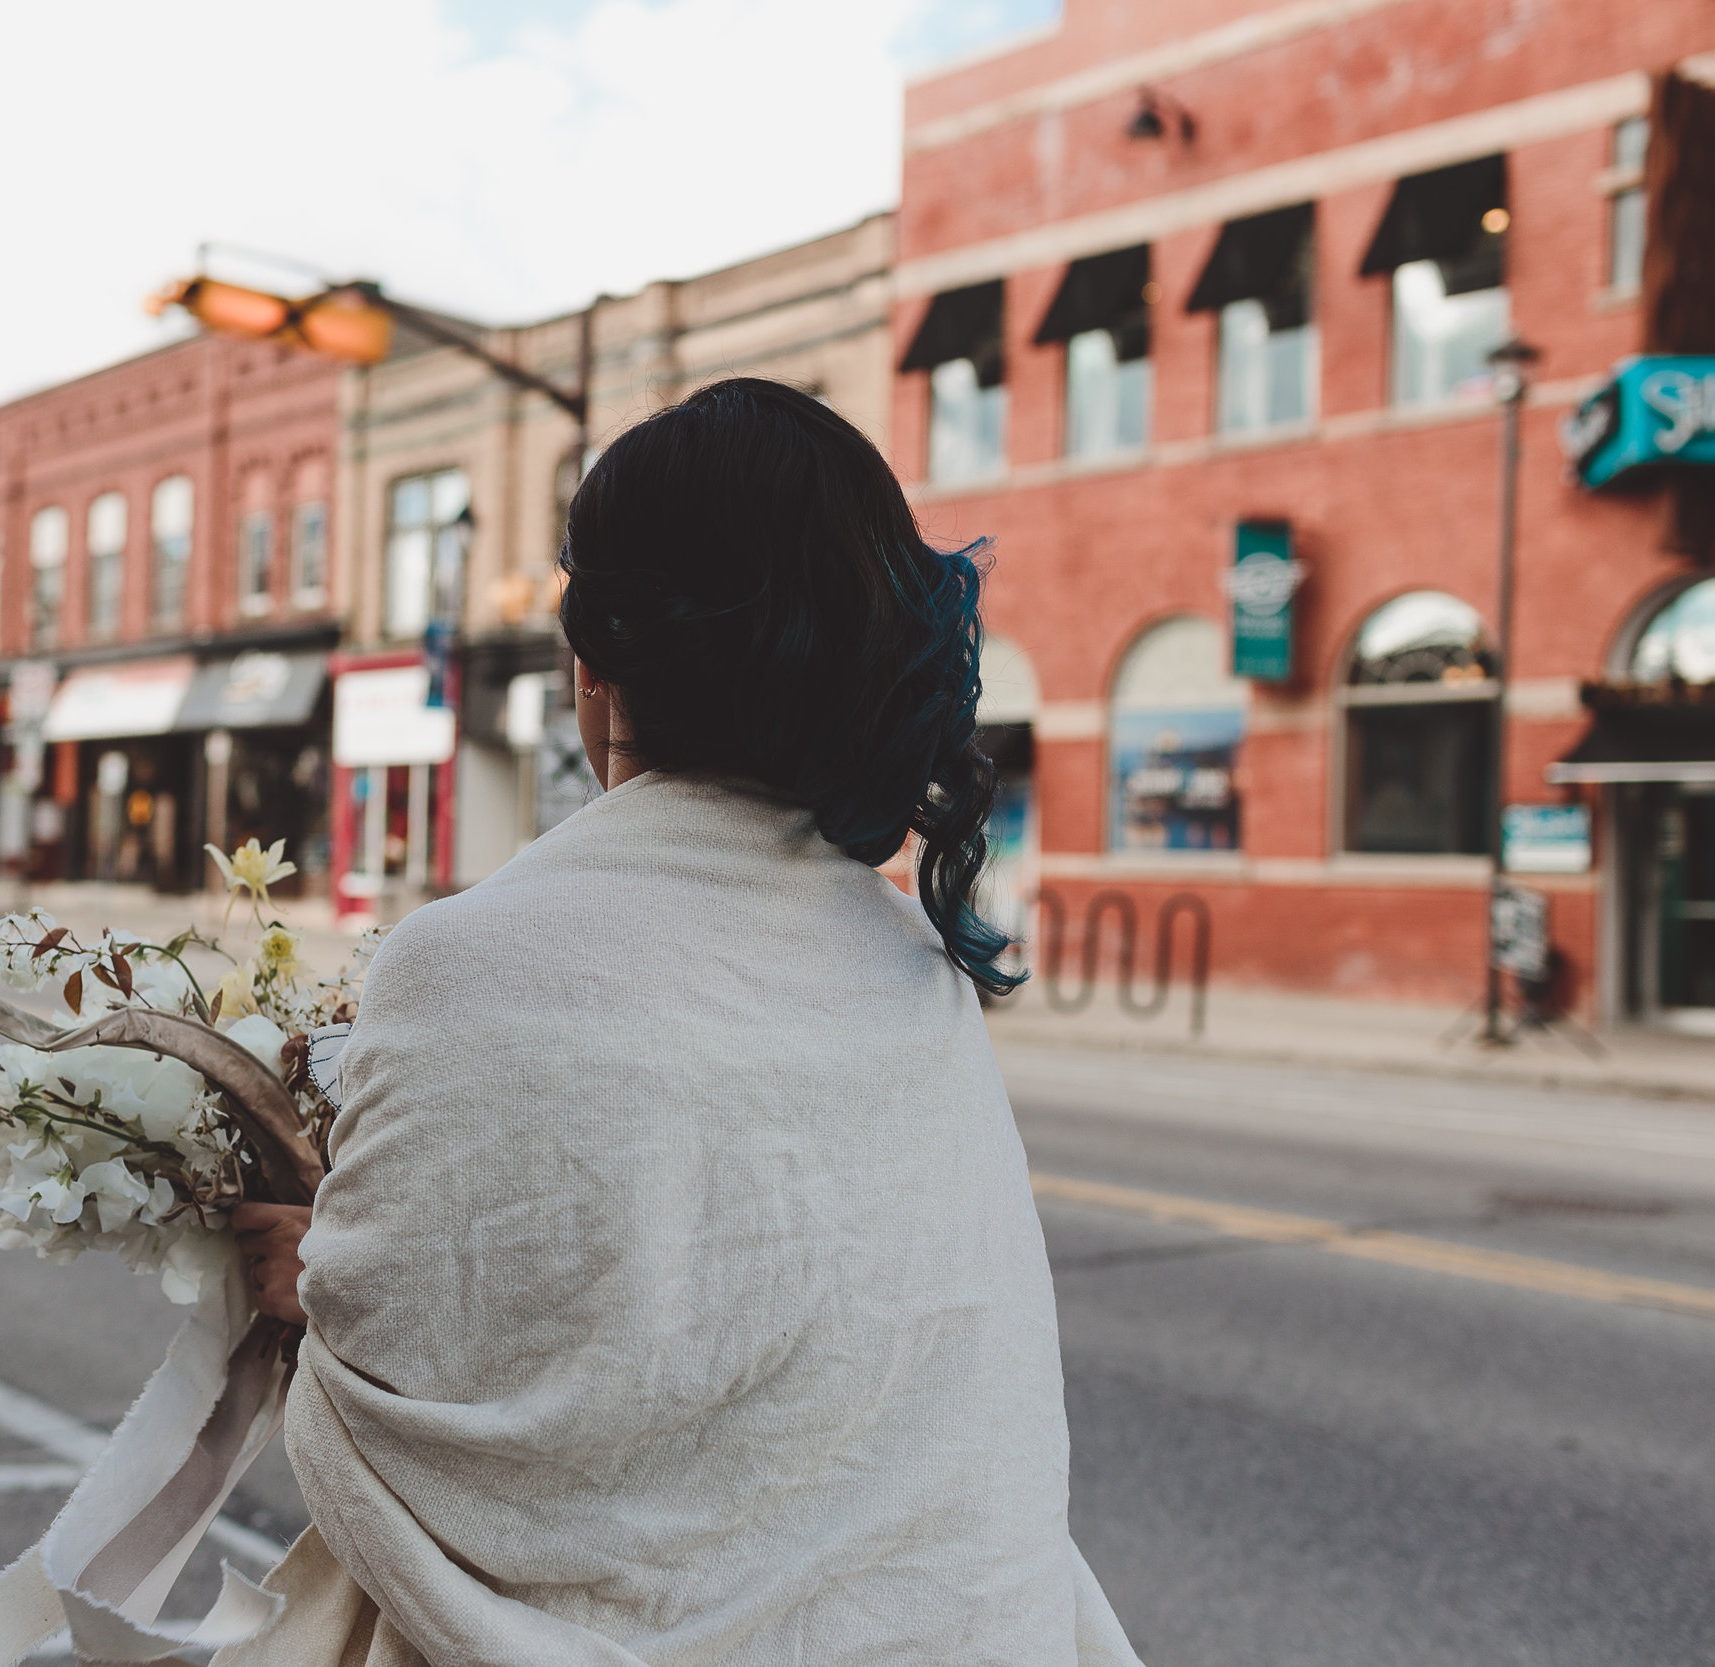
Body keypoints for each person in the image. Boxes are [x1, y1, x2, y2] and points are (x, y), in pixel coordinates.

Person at [233, 377, 1144, 1666]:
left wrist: (312, 1291)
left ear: (590, 661)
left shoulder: (467, 962)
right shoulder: (907, 961)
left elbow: (414, 1398)